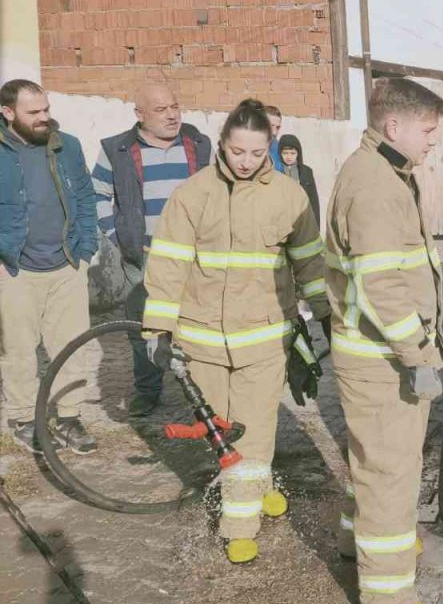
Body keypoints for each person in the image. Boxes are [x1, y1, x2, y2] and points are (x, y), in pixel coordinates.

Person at [140, 99, 330, 565]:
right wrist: (158, 329)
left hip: (264, 339)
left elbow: (310, 261)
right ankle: (258, 486)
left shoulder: (289, 197)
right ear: (222, 143)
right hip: (202, 339)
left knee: (254, 431)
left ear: (270, 148)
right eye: (238, 151)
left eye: (257, 153)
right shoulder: (192, 194)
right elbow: (168, 263)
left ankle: (240, 524)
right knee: (220, 432)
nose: (246, 162)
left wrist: (326, 312)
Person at [326, 76, 443, 604]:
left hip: (377, 355)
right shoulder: (375, 185)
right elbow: (382, 286)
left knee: (374, 467)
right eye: (428, 131)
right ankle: (389, 599)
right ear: (393, 126)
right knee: (389, 476)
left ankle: (372, 545)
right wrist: (418, 353)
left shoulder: (382, 172)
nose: (434, 143)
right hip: (383, 359)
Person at [93, 84, 212, 416]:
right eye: (161, 110)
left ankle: (205, 390)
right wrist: (118, 235)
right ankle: (148, 390)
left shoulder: (199, 144)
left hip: (195, 254)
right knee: (145, 325)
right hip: (144, 256)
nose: (172, 115)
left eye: (175, 106)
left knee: (200, 322)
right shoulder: (116, 149)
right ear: (139, 114)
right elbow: (97, 193)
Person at [0, 79, 99, 455]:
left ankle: (69, 417)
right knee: (19, 349)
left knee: (71, 346)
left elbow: (86, 197)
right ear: (8, 113)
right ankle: (25, 419)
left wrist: (85, 251)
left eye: (46, 110)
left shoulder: (66, 145)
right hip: (14, 270)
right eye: (34, 113)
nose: (44, 118)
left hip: (66, 265)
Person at [277, 134, 320, 226]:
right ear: (280, 153)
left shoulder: (306, 172)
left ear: (298, 153)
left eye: (292, 153)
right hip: (282, 221)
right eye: (285, 153)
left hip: (302, 219)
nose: (289, 157)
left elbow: (313, 200)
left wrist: (316, 226)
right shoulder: (276, 172)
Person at [264, 104, 285, 172]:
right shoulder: (246, 147)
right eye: (271, 126)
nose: (274, 132)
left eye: (277, 127)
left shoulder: (279, 147)